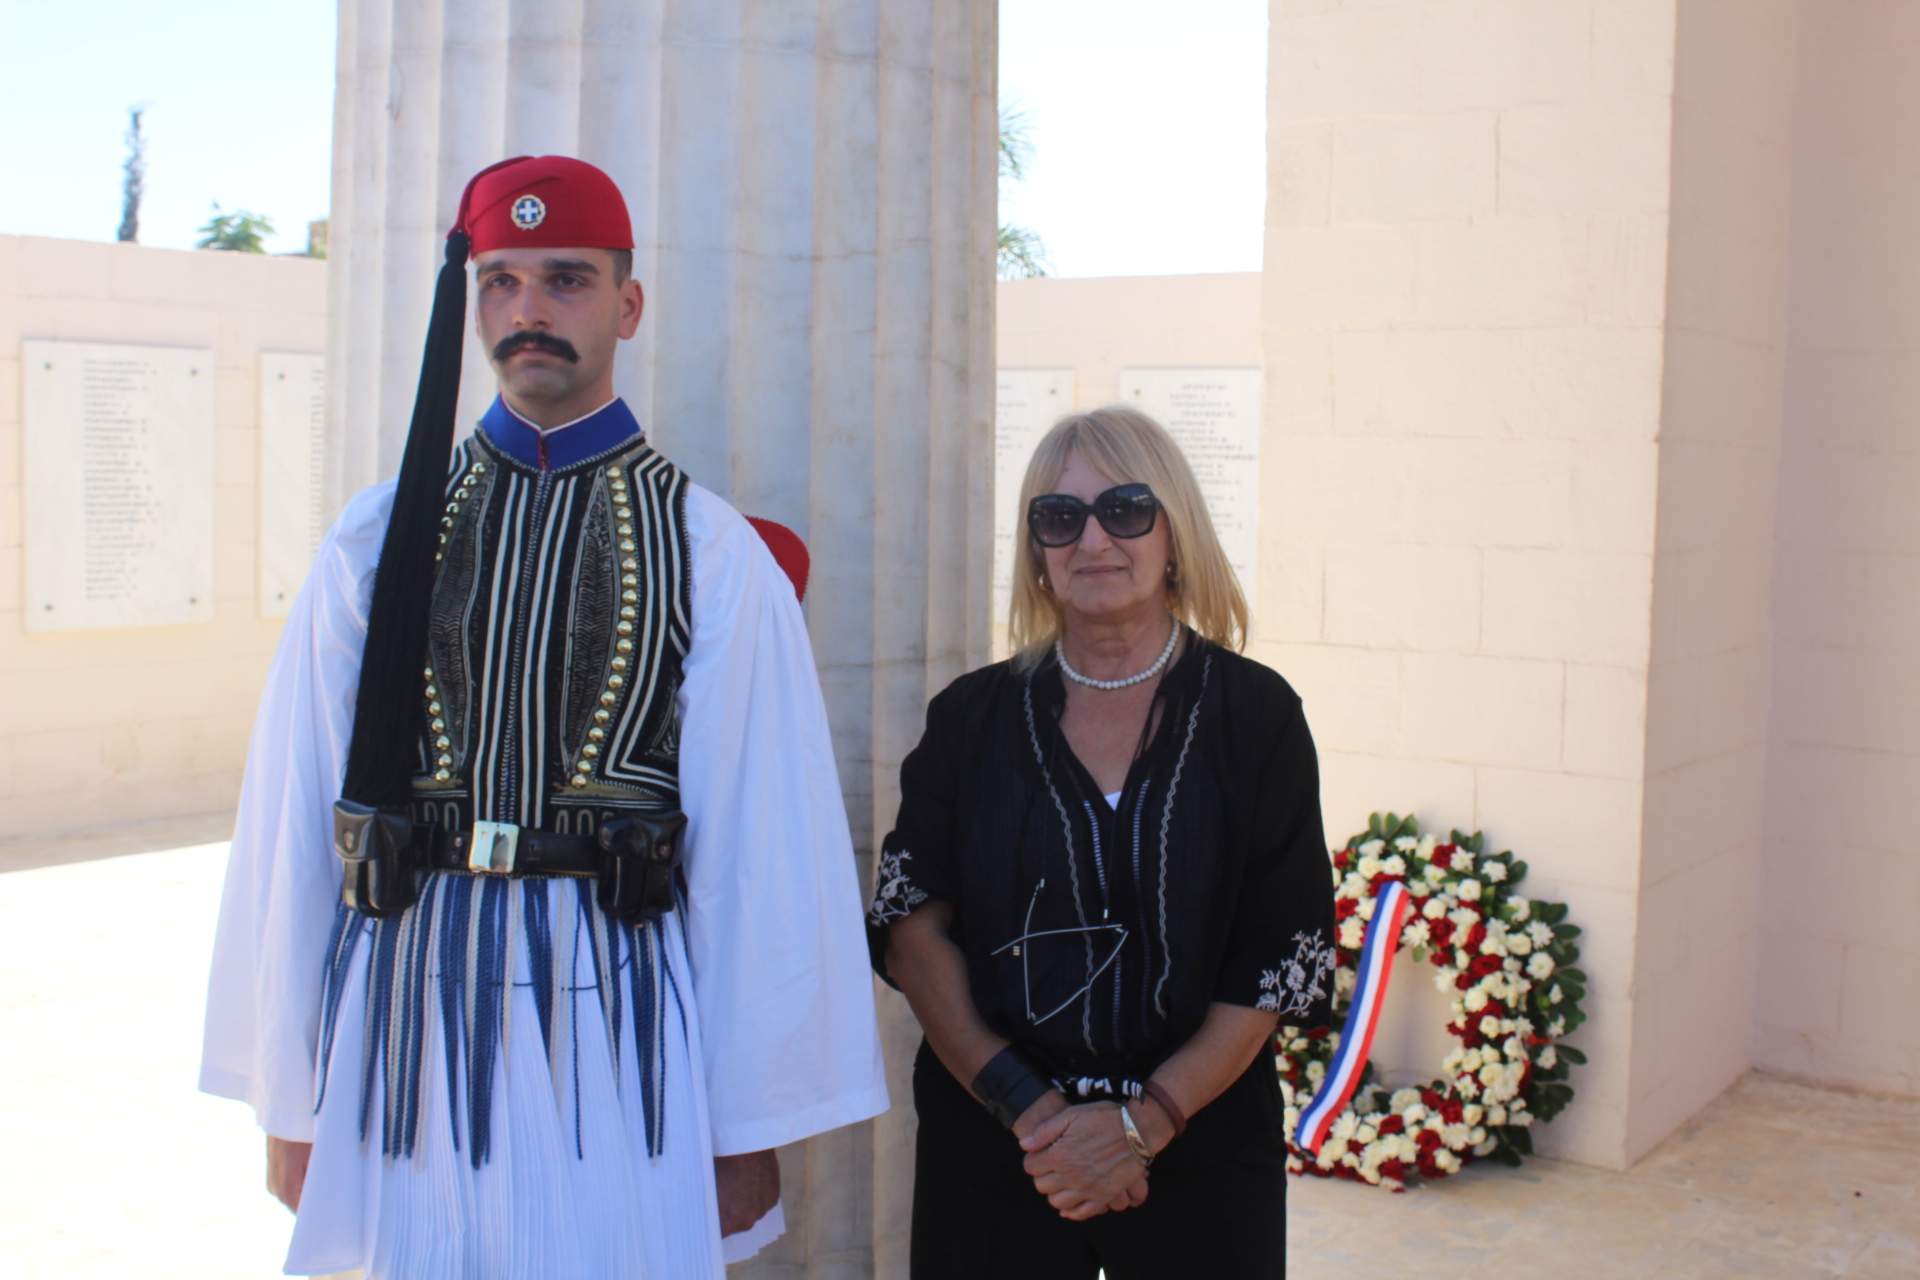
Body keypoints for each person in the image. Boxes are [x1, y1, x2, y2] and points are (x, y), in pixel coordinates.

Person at [199, 155, 888, 1279]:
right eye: (501, 281)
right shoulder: (376, 538)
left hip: (616, 1014)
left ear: (627, 304)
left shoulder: (709, 551)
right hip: (405, 1006)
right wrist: (291, 1090)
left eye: (566, 279)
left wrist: (744, 1123)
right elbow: (296, 810)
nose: (529, 308)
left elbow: (757, 852)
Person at [866, 406, 1338, 1279]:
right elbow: (910, 928)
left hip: (1201, 1144)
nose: (1092, 539)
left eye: (1125, 508)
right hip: (1000, 1145)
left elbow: (1278, 953)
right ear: (1036, 551)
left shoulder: (1257, 717)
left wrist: (1141, 1125)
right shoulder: (969, 718)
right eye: (1060, 516)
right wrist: (1036, 1115)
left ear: (1175, 534)